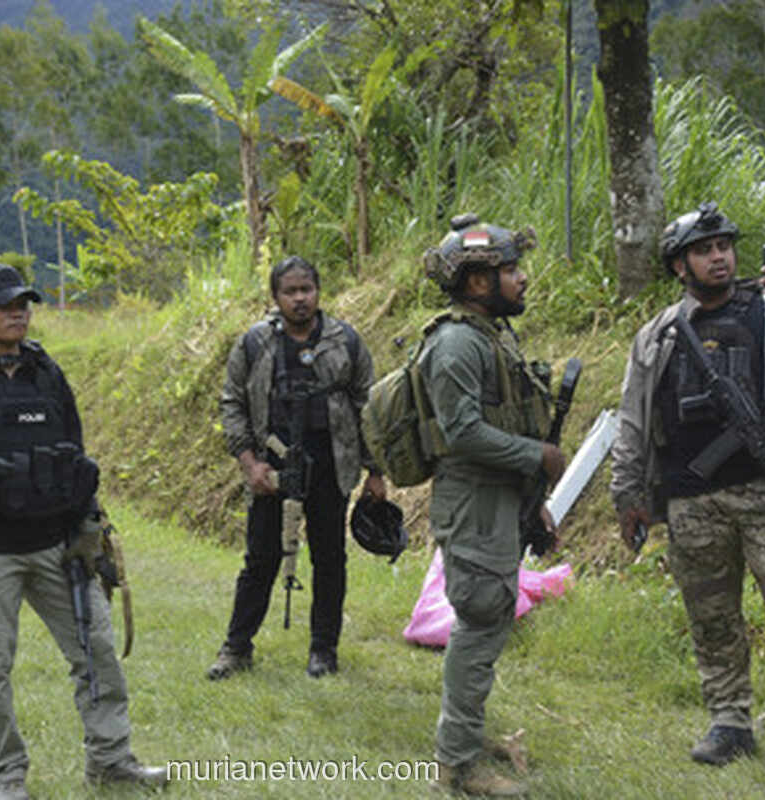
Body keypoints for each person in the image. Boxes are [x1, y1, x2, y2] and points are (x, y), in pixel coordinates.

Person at [610, 202, 765, 783]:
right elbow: (632, 419)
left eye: (725, 245)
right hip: (692, 499)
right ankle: (729, 720)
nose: (719, 256)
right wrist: (629, 496)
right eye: (704, 249)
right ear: (681, 266)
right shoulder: (657, 335)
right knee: (712, 617)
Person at [0, 263, 167, 799]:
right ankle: (7, 779)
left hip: (58, 548)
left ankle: (111, 761)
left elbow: (73, 455)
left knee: (96, 654)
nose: (17, 312)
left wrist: (89, 530)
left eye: (23, 303)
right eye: (3, 305)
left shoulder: (48, 373)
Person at [418, 214, 565, 797]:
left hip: (498, 500)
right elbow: (463, 433)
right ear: (478, 283)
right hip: (474, 504)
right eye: (510, 269)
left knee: (488, 619)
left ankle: (467, 740)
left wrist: (536, 499)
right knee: (480, 620)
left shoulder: (489, 335)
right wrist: (539, 456)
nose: (522, 278)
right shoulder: (456, 344)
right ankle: (457, 764)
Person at [207, 255, 386, 680]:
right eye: (290, 291)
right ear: (275, 297)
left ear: (318, 292)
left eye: (307, 289)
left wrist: (374, 470)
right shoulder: (254, 343)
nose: (300, 299)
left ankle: (324, 650)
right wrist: (249, 463)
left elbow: (369, 406)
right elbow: (232, 403)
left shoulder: (346, 341)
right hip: (272, 464)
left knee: (329, 557)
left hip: (331, 461)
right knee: (261, 558)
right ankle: (236, 648)